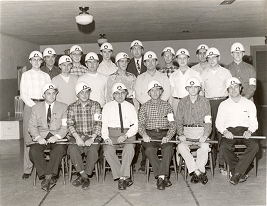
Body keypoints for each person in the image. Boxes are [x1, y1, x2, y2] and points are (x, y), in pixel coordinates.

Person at [216, 77, 258, 185]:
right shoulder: (223, 105)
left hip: (245, 131)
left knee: (255, 146)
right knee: (223, 146)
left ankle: (236, 172)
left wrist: (249, 131)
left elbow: (254, 122)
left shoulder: (249, 104)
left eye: (236, 87)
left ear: (240, 88)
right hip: (230, 132)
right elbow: (219, 123)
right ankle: (240, 171)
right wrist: (225, 131)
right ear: (227, 90)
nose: (233, 90)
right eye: (230, 88)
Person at [28, 83, 68, 191]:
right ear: (43, 95)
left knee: (59, 149)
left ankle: (48, 177)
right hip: (42, 137)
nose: (51, 96)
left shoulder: (64, 107)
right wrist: (38, 138)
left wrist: (57, 136)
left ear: (56, 94)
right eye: (48, 93)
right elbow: (31, 126)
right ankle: (48, 176)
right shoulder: (36, 108)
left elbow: (65, 126)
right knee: (33, 151)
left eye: (53, 93)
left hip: (57, 137)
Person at [139, 80, 176, 190]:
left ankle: (160, 177)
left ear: (161, 92)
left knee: (169, 148)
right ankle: (163, 176)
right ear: (149, 93)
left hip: (164, 134)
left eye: (157, 90)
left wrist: (168, 136)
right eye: (152, 90)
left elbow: (173, 124)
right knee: (149, 150)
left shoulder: (167, 106)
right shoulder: (144, 107)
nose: (155, 92)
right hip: (150, 134)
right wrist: (144, 134)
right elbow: (140, 124)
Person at [20, 51, 51, 179]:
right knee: (29, 138)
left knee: (45, 133)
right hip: (30, 106)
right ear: (30, 61)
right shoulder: (25, 75)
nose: (36, 62)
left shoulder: (46, 76)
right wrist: (34, 106)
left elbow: (49, 91)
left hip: (44, 106)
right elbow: (24, 94)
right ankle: (27, 169)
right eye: (34, 59)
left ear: (42, 61)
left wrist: (43, 106)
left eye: (39, 59)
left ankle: (43, 167)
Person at [102, 83, 138, 190]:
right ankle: (123, 176)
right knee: (107, 149)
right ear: (112, 95)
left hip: (128, 133)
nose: (120, 95)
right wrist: (106, 138)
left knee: (130, 147)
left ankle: (122, 177)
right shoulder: (107, 107)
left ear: (126, 93)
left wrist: (126, 135)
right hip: (112, 133)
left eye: (122, 93)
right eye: (117, 93)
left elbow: (135, 126)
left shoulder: (130, 107)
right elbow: (103, 125)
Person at [201, 47, 232, 173]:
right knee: (210, 133)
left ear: (218, 58)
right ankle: (210, 162)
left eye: (214, 57)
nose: (212, 60)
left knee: (222, 133)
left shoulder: (226, 72)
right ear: (207, 59)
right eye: (209, 57)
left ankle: (222, 163)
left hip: (223, 102)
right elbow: (201, 92)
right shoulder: (204, 73)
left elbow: (230, 91)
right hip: (209, 103)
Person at [176, 77, 212, 185]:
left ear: (199, 88)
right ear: (186, 88)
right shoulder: (182, 102)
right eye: (190, 87)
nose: (192, 90)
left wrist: (205, 135)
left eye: (195, 87)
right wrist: (181, 134)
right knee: (181, 147)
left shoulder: (205, 101)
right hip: (187, 131)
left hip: (200, 130)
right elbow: (178, 120)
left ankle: (197, 172)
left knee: (205, 147)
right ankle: (198, 172)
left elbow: (208, 120)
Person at [67, 82, 102, 190]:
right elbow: (70, 124)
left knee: (93, 151)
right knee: (72, 150)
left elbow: (98, 123)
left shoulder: (96, 105)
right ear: (77, 94)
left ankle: (83, 175)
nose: (84, 94)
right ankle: (84, 176)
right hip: (76, 136)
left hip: (92, 136)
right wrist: (77, 137)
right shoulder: (71, 107)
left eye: (86, 92)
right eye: (81, 92)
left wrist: (92, 138)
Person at [169, 48, 202, 115]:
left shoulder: (195, 73)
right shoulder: (173, 75)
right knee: (177, 123)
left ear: (188, 59)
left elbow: (200, 92)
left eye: (184, 58)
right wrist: (170, 109)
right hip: (177, 102)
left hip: (191, 102)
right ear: (176, 59)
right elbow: (171, 94)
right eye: (180, 58)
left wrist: (200, 105)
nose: (182, 60)